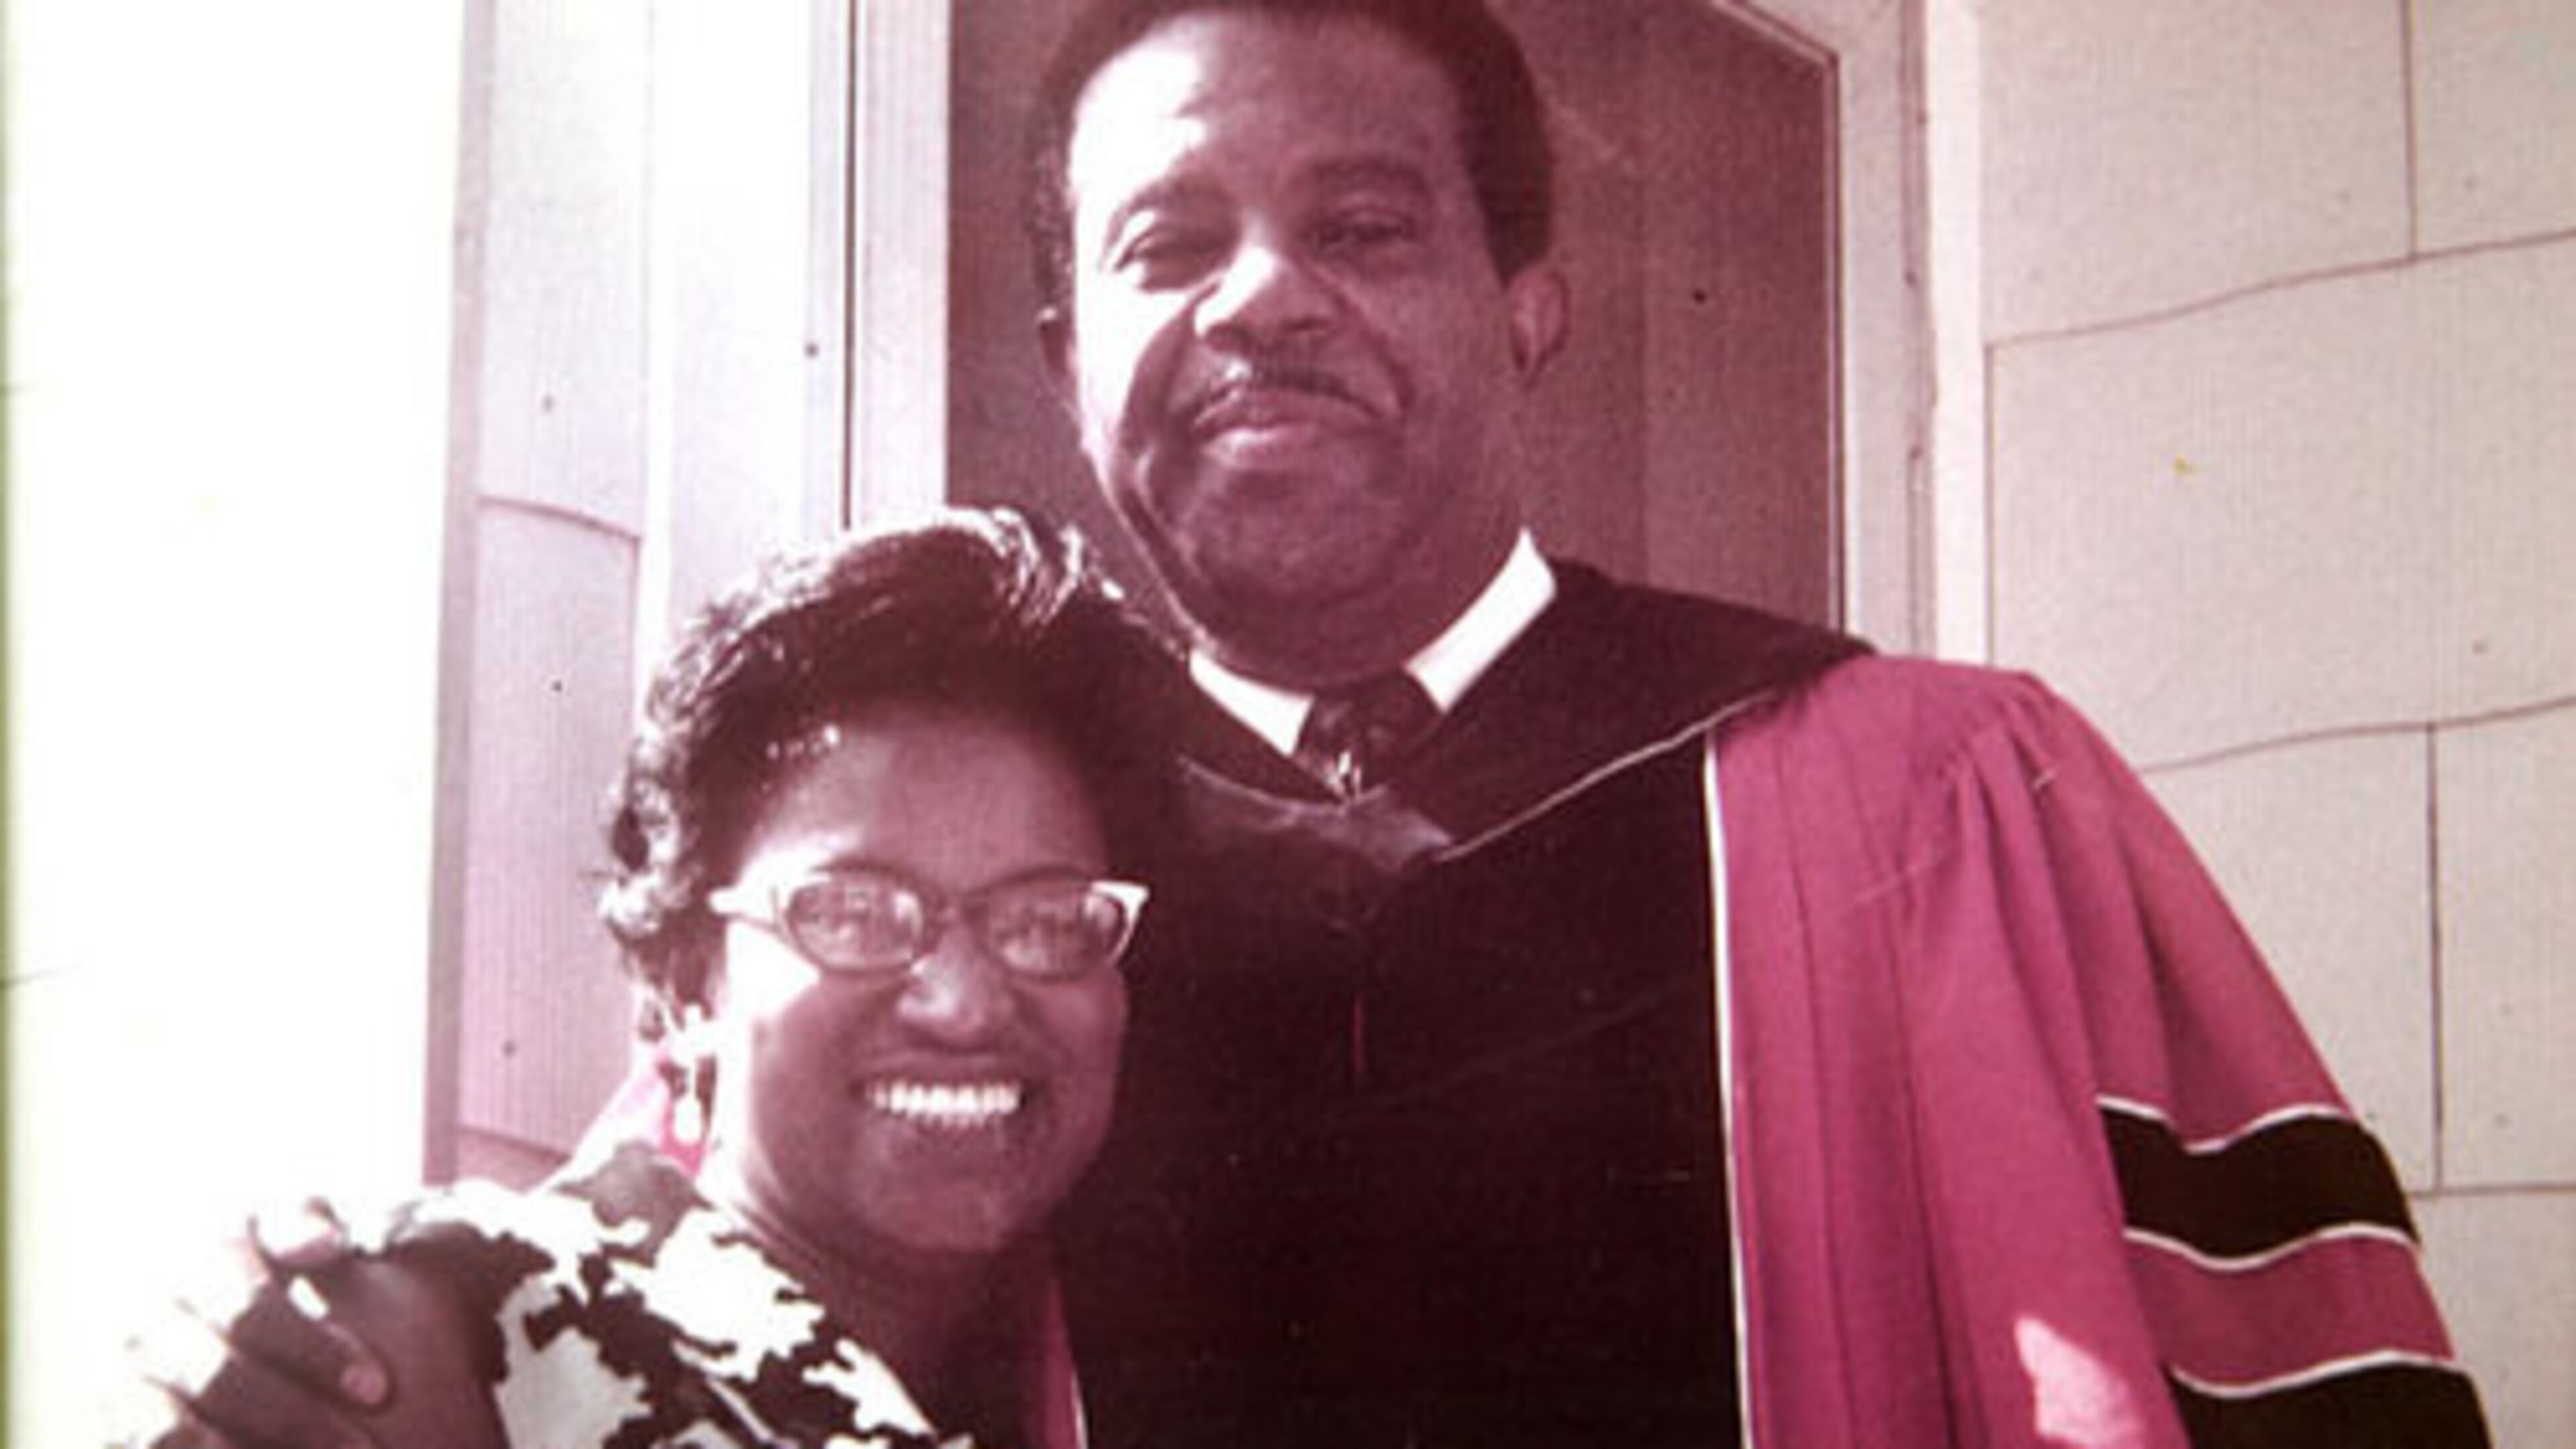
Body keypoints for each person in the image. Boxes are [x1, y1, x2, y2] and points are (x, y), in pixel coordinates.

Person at [174, 1, 2493, 1446]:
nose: (1261, 299)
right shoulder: (989, 894)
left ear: (1530, 305)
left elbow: (2284, 1382)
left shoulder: (1929, 801)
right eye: (1166, 246)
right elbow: (663, 1283)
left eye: (1364, 227)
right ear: (1075, 359)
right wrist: (369, 1336)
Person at [129, 511, 1177, 1448]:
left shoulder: (1135, 1371)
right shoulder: (426, 1345)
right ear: (686, 984)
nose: (963, 1001)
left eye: (1044, 919)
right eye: (851, 911)